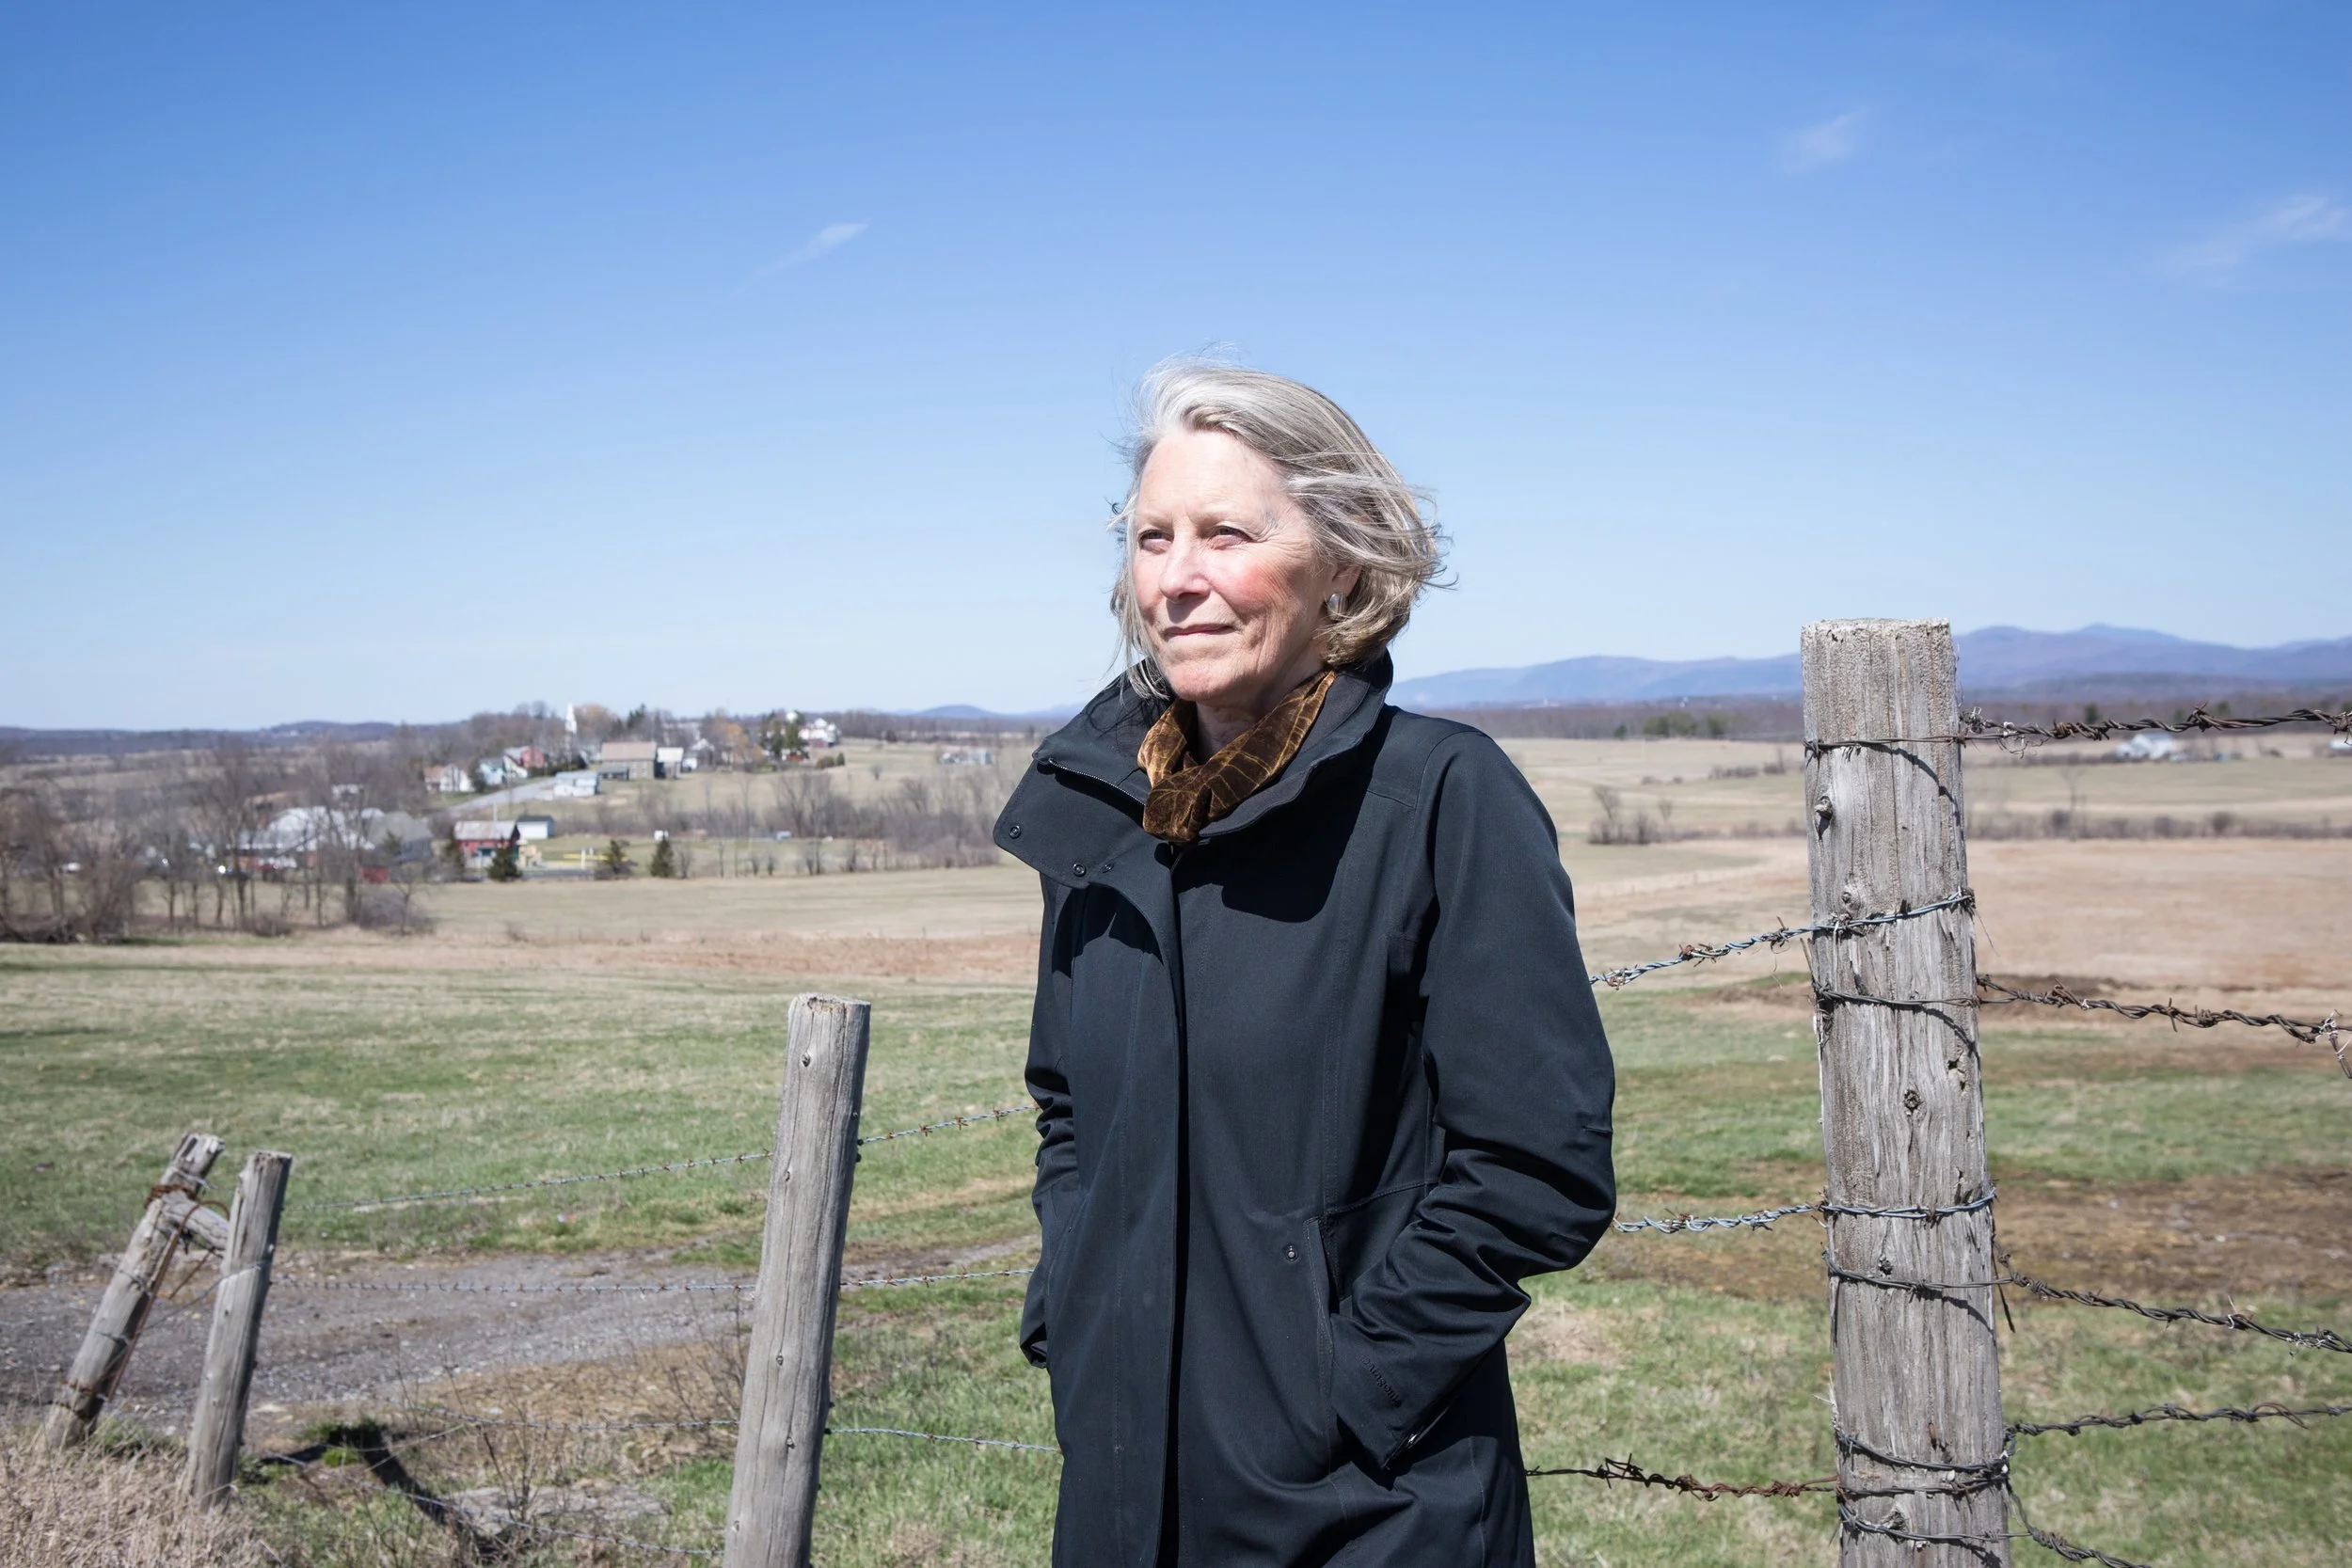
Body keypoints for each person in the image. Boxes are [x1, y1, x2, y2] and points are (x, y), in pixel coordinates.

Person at [993, 360, 1616, 1568]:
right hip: (1124, 1491)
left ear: (1342, 562)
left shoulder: (1437, 798)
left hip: (1368, 1510)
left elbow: (1537, 1163)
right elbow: (1069, 1107)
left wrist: (1344, 1389)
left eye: (1227, 534)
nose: (1178, 577)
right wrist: (1078, 1312)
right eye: (1152, 538)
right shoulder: (1107, 809)